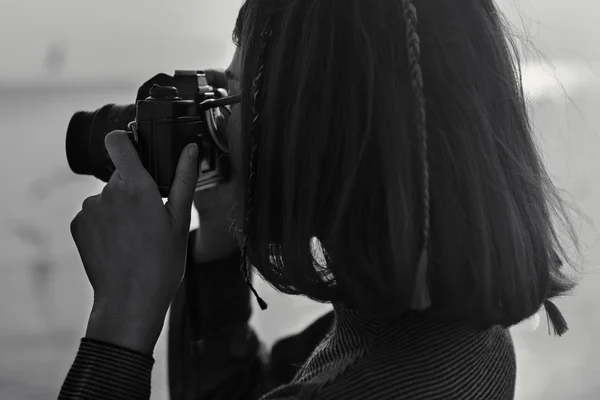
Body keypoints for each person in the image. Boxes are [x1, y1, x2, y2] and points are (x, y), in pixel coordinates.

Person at [58, 0, 581, 399]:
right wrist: (218, 231)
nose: (220, 121)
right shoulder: (456, 336)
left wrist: (120, 322)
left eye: (233, 96)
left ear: (311, 133)